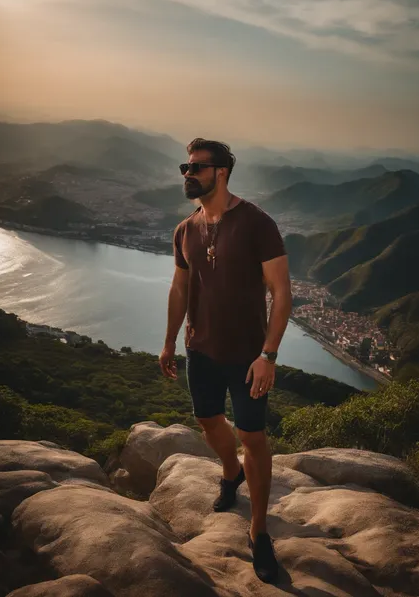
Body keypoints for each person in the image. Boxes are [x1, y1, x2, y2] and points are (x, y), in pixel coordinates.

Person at [159, 138, 292, 584]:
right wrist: (169, 341)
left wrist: (268, 355)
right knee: (208, 421)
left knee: (252, 436)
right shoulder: (185, 230)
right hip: (201, 349)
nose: (187, 174)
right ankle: (230, 472)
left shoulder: (257, 223)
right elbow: (180, 289)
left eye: (196, 167)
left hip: (248, 356)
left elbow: (282, 293)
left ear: (222, 172)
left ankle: (257, 531)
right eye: (185, 166)